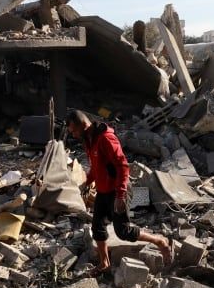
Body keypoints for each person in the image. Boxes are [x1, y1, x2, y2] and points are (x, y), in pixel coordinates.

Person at [66, 110, 172, 276]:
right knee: (98, 228)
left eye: (73, 130)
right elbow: (96, 166)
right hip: (102, 191)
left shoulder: (106, 138)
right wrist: (86, 182)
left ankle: (160, 241)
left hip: (117, 190)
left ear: (83, 125)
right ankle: (104, 263)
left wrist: (121, 196)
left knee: (123, 231)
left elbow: (123, 167)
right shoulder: (88, 140)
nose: (72, 134)